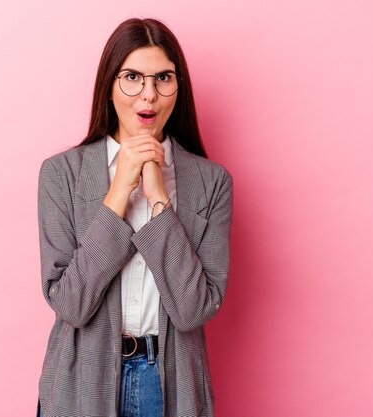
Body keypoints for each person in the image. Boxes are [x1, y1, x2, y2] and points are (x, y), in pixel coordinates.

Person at [37, 17, 233, 417]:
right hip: (81, 385)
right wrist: (118, 194)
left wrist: (159, 198)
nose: (149, 95)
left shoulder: (212, 183)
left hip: (171, 384)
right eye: (132, 77)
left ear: (178, 88)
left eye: (163, 78)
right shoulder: (61, 174)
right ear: (109, 86)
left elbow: (194, 309)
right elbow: (70, 305)